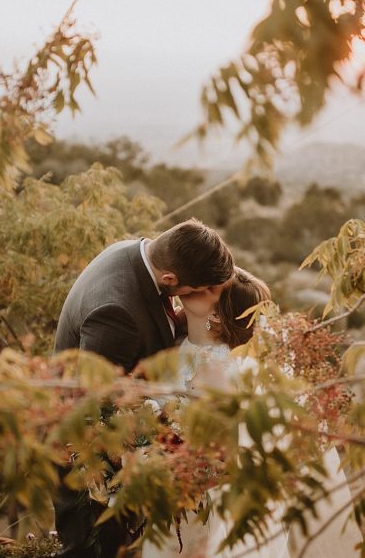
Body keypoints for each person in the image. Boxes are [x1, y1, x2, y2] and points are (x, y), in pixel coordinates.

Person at [53, 219, 236, 557]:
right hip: (86, 457)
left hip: (124, 450)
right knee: (91, 547)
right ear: (170, 279)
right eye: (192, 291)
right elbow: (97, 407)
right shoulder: (116, 312)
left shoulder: (135, 252)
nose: (191, 299)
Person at [143, 267, 291, 558]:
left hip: (195, 506)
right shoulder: (178, 338)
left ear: (217, 316)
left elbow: (222, 458)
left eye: (210, 288)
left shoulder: (218, 370)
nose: (197, 285)